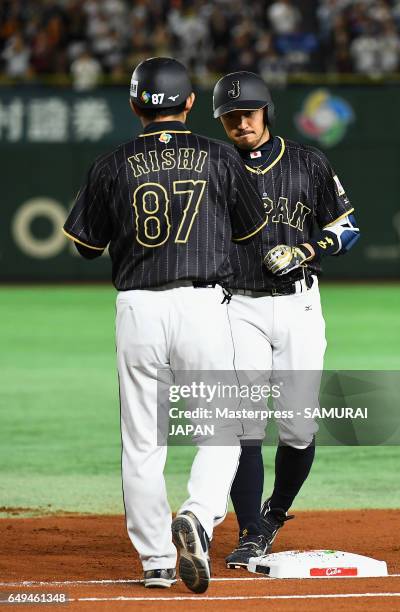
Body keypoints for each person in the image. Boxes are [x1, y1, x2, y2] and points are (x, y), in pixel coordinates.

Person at [63, 58, 267, 593]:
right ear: (191, 103)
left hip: (138, 309)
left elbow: (84, 246)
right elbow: (252, 232)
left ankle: (155, 561)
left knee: (142, 443)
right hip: (202, 306)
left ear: (134, 105)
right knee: (222, 429)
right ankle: (198, 516)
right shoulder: (221, 157)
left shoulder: (112, 164)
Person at [212, 71, 360, 569]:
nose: (239, 122)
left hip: (299, 305)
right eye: (229, 116)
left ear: (265, 112)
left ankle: (275, 512)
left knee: (298, 427)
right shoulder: (214, 166)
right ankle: (251, 531)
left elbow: (348, 227)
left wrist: (307, 249)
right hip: (239, 306)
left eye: (247, 113)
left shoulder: (306, 161)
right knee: (243, 425)